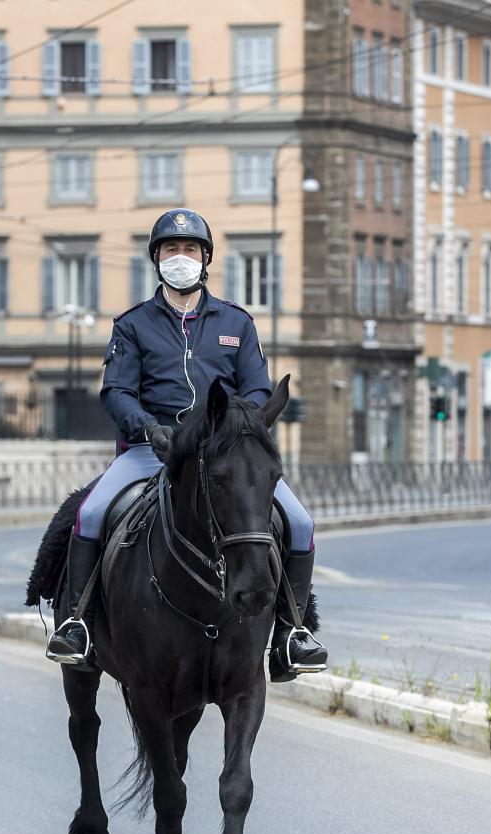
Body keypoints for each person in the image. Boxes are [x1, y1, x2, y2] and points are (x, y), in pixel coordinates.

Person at [44, 208, 328, 683]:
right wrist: (144, 427)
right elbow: (116, 390)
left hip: (222, 452)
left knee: (298, 521)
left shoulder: (237, 323)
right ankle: (76, 623)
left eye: (190, 250)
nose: (181, 257)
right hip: (150, 450)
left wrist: (240, 426)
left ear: (206, 258)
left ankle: (292, 633)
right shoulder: (133, 324)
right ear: (157, 259)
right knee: (90, 515)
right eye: (171, 250)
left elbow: (258, 389)